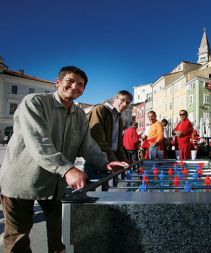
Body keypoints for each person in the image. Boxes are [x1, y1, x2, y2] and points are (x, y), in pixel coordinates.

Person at [0, 66, 127, 253]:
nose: (75, 86)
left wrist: (105, 162)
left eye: (81, 84)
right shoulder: (34, 102)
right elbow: (39, 142)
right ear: (58, 82)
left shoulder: (79, 115)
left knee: (61, 236)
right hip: (21, 180)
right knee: (18, 240)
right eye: (70, 81)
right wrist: (68, 169)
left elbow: (88, 145)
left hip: (55, 184)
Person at [85, 90, 132, 190]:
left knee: (107, 193)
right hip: (97, 159)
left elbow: (118, 144)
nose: (124, 104)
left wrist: (124, 160)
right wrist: (113, 159)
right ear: (115, 98)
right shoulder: (100, 109)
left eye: (127, 102)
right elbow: (97, 139)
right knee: (95, 196)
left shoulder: (119, 118)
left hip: (111, 160)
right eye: (122, 100)